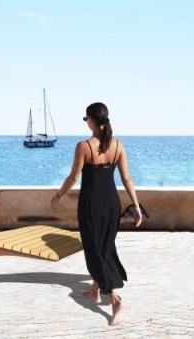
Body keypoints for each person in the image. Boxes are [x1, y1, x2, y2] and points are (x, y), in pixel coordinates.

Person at [51, 102, 142, 326]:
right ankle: (94, 290)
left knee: (95, 251)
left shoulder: (84, 146)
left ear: (91, 121)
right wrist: (136, 205)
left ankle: (114, 299)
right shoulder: (118, 146)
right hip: (111, 204)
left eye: (87, 119)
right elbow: (127, 178)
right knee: (104, 246)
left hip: (90, 204)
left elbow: (73, 178)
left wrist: (58, 196)